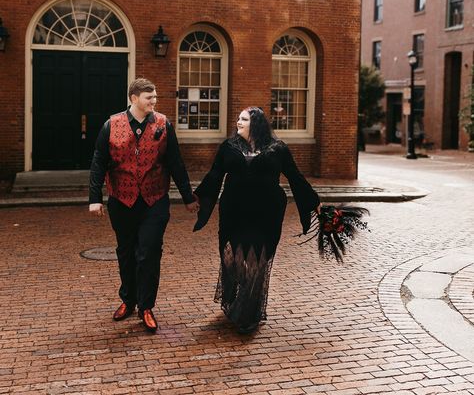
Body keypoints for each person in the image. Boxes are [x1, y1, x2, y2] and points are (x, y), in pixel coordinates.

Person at [193, 107, 321, 334]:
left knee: (256, 260)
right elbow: (214, 175)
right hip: (234, 212)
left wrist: (313, 201)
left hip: (266, 214)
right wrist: (195, 198)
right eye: (238, 118)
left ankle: (246, 315)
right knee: (230, 257)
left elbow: (295, 177)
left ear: (257, 123)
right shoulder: (228, 147)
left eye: (243, 119)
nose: (238, 122)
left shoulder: (277, 149)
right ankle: (238, 298)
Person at [89, 78, 199, 333]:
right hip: (121, 200)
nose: (154, 101)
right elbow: (98, 163)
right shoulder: (111, 125)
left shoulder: (163, 124)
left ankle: (146, 306)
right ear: (134, 98)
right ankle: (128, 300)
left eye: (155, 97)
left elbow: (175, 162)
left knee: (149, 252)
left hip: (154, 200)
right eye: (149, 97)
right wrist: (95, 198)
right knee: (126, 252)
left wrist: (187, 196)